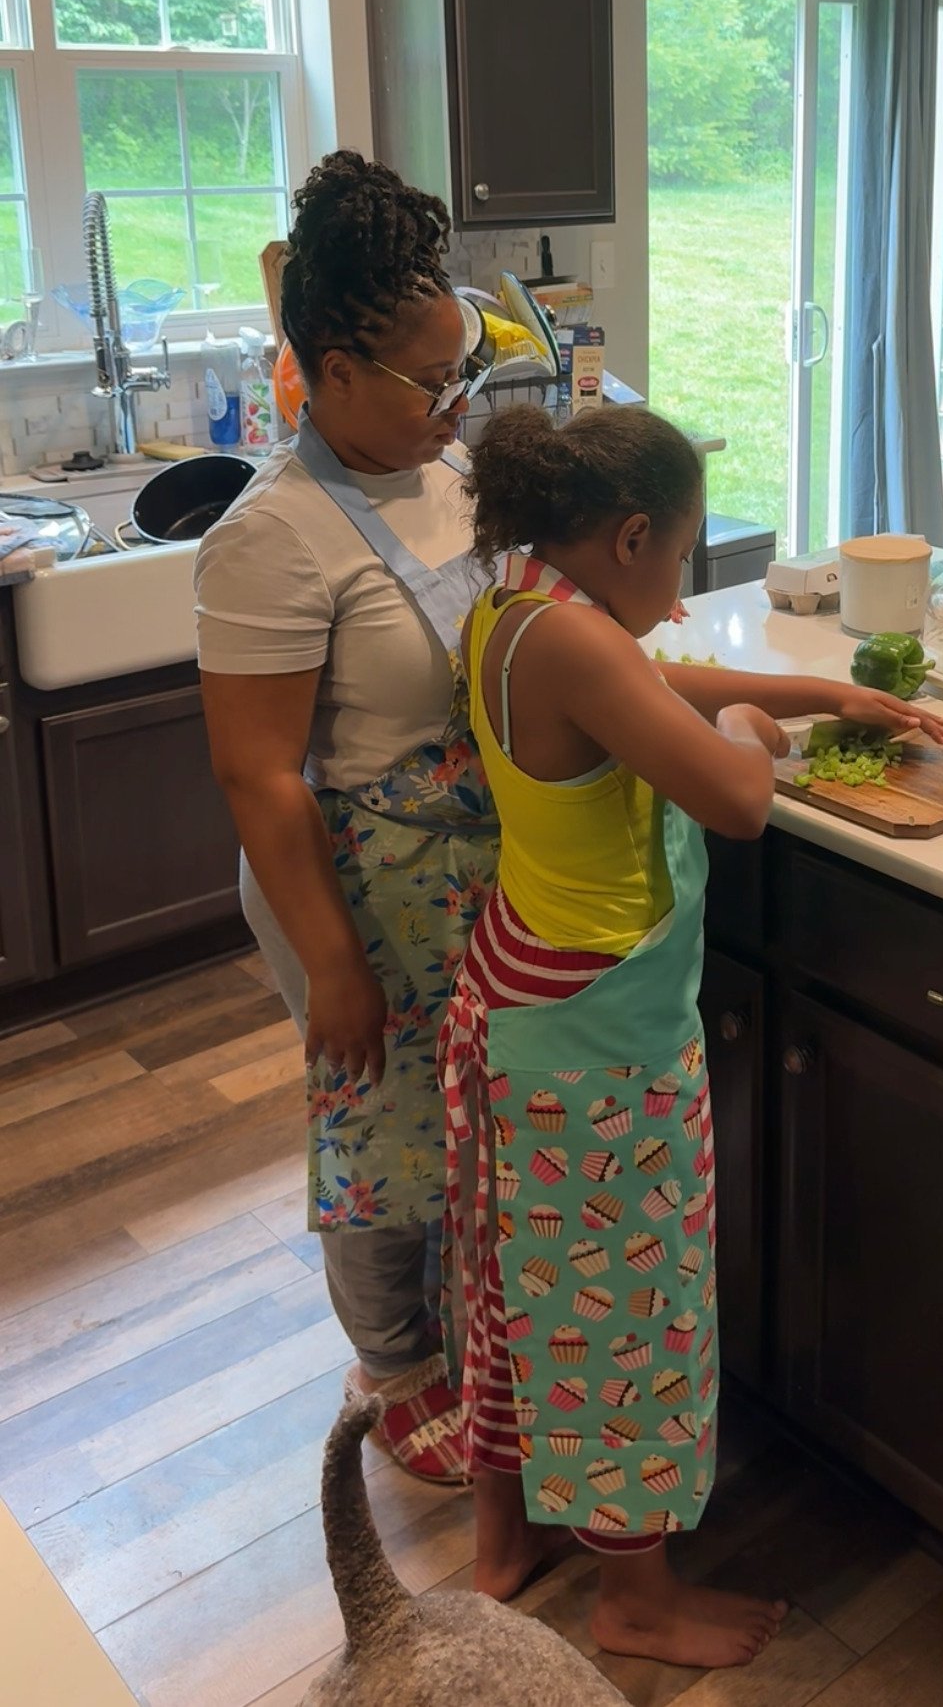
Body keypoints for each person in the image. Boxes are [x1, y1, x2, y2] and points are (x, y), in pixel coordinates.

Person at [439, 403, 943, 1668]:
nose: (682, 588)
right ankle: (638, 1598)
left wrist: (819, 686)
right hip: (593, 1035)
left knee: (514, 1282)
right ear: (624, 540)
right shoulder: (578, 641)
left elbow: (653, 680)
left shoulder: (513, 599)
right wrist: (756, 733)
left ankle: (504, 1538)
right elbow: (731, 796)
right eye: (681, 556)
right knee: (616, 1306)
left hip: (518, 995)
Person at [196, 151, 499, 1483]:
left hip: (457, 869)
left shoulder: (442, 467)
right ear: (334, 365)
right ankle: (392, 1362)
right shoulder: (273, 534)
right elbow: (258, 775)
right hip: (344, 881)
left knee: (448, 1113)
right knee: (374, 1123)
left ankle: (447, 1324)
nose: (458, 402)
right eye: (436, 381)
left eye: (464, 370)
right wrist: (331, 966)